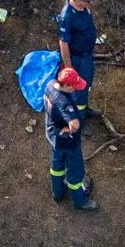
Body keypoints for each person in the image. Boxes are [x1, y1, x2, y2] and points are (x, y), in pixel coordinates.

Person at [45, 66, 94, 210]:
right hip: (68, 142)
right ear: (66, 85)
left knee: (57, 165)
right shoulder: (63, 102)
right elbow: (75, 124)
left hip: (53, 135)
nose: (75, 89)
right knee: (75, 172)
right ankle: (80, 201)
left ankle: (58, 193)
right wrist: (70, 128)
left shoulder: (50, 85)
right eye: (74, 86)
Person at [56, 0, 99, 84]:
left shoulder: (83, 7)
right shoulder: (67, 18)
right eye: (88, 1)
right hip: (77, 57)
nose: (91, 3)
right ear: (79, 1)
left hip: (87, 52)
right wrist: (69, 66)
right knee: (80, 82)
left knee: (88, 77)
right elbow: (63, 43)